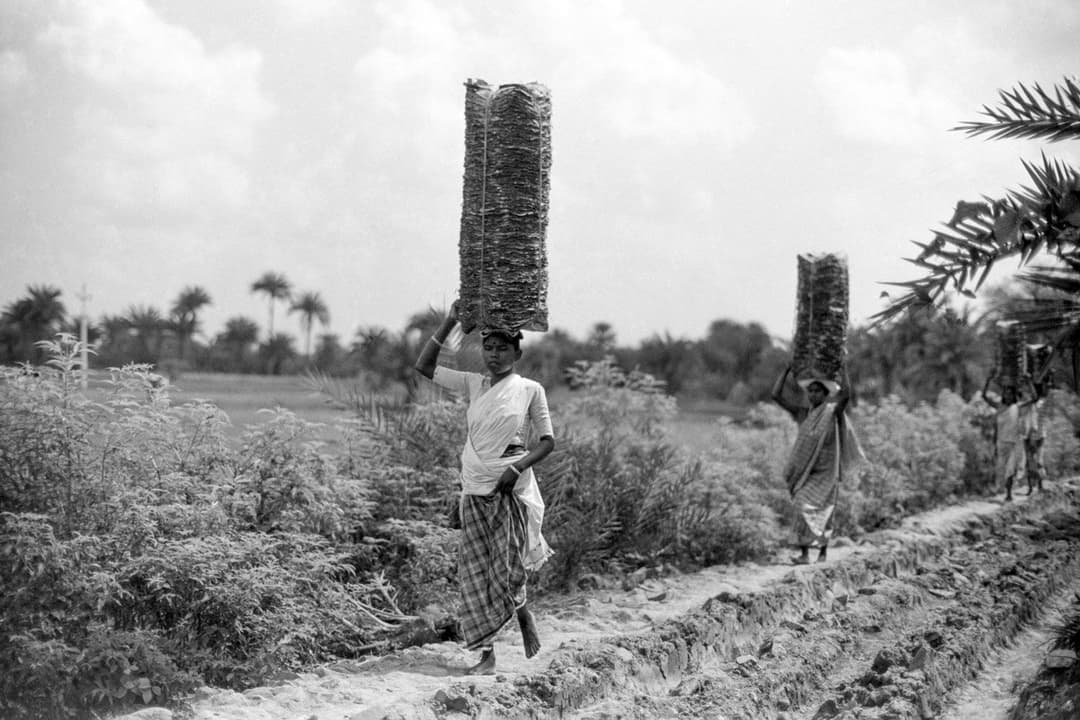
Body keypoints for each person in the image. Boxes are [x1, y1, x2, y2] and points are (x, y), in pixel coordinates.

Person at [414, 302, 555, 675]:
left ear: (517, 352)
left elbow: (546, 441)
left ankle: (523, 614)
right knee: (475, 572)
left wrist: (517, 467)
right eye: (488, 348)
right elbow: (423, 367)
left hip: (510, 487)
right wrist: (449, 323)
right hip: (475, 487)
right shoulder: (474, 384)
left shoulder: (529, 390)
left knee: (506, 567)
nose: (493, 355)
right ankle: (486, 655)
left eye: (502, 348)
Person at [771, 364, 861, 564]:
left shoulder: (832, 412)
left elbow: (845, 396)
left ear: (825, 393)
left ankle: (822, 553)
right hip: (805, 472)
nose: (812, 394)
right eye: (810, 391)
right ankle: (804, 554)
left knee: (826, 510)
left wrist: (844, 371)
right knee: (801, 505)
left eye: (817, 391)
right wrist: (786, 371)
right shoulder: (802, 413)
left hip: (827, 471)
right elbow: (776, 395)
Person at [981, 372, 1033, 502]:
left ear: (1014, 396)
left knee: (1010, 469)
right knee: (1001, 469)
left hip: (1014, 443)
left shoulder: (1018, 407)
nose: (1008, 396)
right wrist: (988, 380)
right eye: (1006, 393)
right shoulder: (999, 407)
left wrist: (1029, 382)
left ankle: (1009, 494)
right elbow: (984, 396)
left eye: (1010, 394)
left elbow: (1034, 399)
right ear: (1004, 395)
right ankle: (1002, 490)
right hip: (1001, 443)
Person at [1020, 375, 1048, 495]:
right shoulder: (1029, 403)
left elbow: (1036, 397)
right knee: (1029, 462)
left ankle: (1040, 486)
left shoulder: (1041, 402)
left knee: (1038, 462)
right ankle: (1031, 487)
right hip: (1028, 435)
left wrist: (1029, 381)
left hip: (1039, 435)